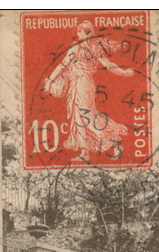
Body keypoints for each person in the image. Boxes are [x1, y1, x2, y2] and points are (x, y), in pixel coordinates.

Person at [44, 21, 135, 163]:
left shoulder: (77, 48)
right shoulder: (95, 48)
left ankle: (114, 139)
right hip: (82, 84)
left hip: (81, 84)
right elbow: (109, 65)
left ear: (84, 32)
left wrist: (49, 82)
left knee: (87, 115)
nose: (77, 34)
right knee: (78, 117)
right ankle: (84, 152)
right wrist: (124, 73)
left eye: (79, 31)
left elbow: (62, 66)